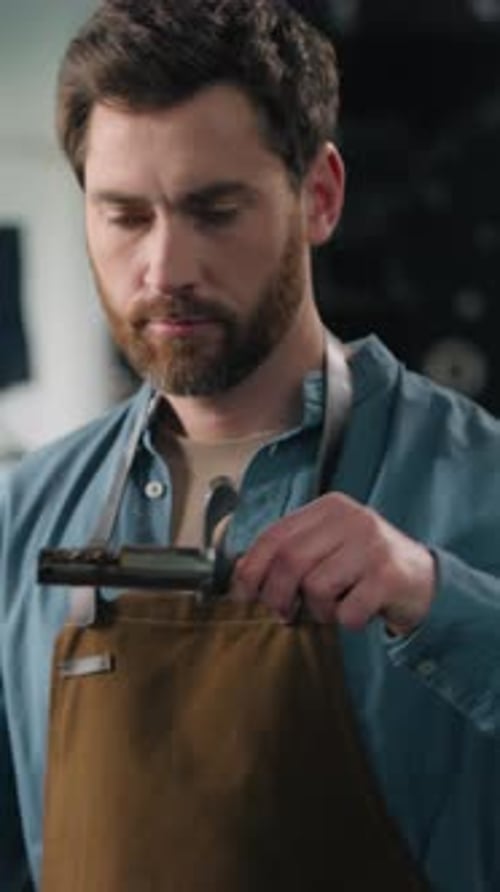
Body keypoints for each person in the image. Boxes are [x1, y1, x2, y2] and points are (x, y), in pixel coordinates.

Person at [1, 1, 500, 889]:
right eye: (124, 217)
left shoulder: (479, 482)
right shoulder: (27, 512)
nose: (164, 268)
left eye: (214, 211)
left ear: (320, 197)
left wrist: (438, 599)